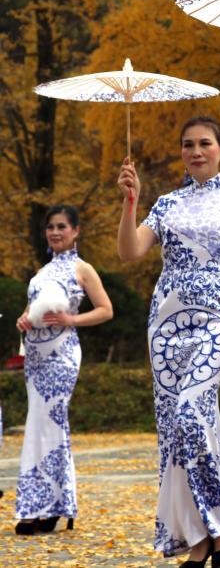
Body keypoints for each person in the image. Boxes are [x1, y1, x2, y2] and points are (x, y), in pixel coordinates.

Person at [117, 117, 220, 568]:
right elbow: (129, 252)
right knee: (176, 430)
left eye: (205, 144)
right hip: (166, 324)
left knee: (190, 411)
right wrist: (130, 202)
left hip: (217, 320)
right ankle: (204, 539)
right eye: (187, 145)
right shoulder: (164, 204)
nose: (196, 151)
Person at [13, 205, 113, 535]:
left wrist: (72, 320)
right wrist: (23, 319)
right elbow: (32, 310)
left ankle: (51, 506)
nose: (55, 232)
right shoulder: (41, 273)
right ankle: (39, 505)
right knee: (36, 425)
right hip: (36, 357)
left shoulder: (83, 269)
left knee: (50, 423)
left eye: (62, 227)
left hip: (62, 355)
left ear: (75, 231)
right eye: (51, 227)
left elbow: (105, 310)